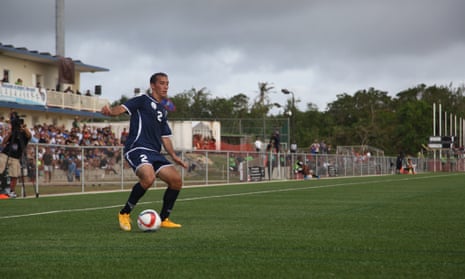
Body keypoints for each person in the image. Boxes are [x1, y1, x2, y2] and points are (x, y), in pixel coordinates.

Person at [101, 72, 188, 231]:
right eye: (162, 83)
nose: (165, 86)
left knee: (176, 181)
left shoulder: (163, 110)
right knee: (148, 178)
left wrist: (174, 156)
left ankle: (164, 219)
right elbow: (121, 108)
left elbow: (165, 137)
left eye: (167, 83)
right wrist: (110, 112)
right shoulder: (142, 100)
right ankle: (124, 213)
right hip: (137, 147)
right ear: (153, 85)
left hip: (155, 152)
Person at [0, 112, 32, 198]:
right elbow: (3, 143)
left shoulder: (25, 134)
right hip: (6, 154)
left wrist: (24, 128)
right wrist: (10, 133)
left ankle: (12, 191)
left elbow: (29, 136)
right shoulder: (13, 133)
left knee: (14, 175)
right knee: (0, 167)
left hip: (16, 157)